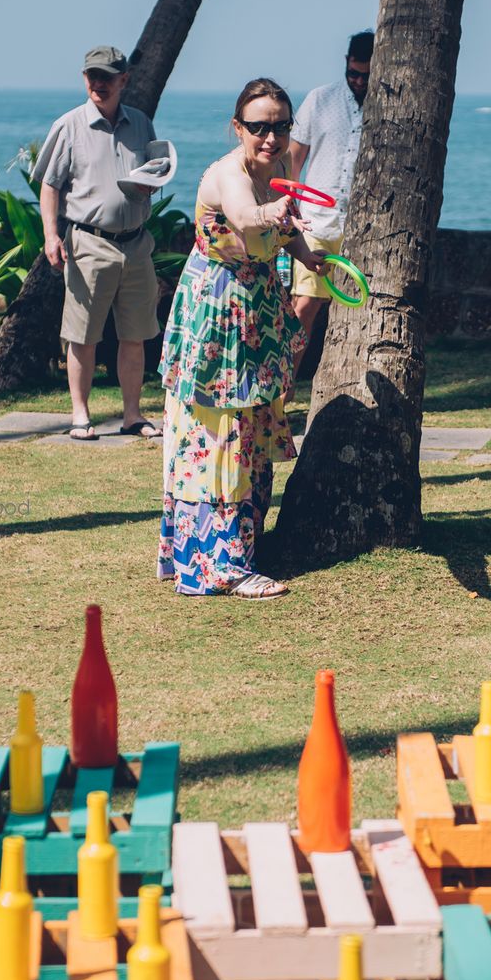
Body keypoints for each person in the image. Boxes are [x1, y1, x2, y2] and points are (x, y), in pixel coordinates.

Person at [157, 79, 328, 599]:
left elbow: (284, 230)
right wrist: (270, 213)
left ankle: (238, 552)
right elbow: (244, 216)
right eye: (258, 127)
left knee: (251, 432)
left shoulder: (278, 169)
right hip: (217, 317)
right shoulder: (227, 173)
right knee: (219, 435)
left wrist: (305, 256)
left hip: (257, 308)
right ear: (238, 128)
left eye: (280, 126)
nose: (270, 137)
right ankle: (220, 567)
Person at [34, 45, 163, 441]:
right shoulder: (69, 125)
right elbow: (49, 185)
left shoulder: (141, 124)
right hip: (89, 243)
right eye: (93, 75)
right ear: (84, 78)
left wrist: (149, 185)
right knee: (82, 335)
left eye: (107, 76)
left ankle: (132, 415)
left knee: (135, 335)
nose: (99, 83)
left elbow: (156, 174)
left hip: (137, 244)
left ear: (124, 80)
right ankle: (80, 416)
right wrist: (51, 235)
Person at [287, 29, 373, 354]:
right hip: (316, 222)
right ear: (346, 64)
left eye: (367, 75)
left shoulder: (391, 105)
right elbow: (294, 158)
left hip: (362, 228)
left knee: (358, 309)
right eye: (354, 73)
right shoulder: (320, 99)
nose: (360, 81)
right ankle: (283, 394)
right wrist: (291, 208)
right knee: (304, 307)